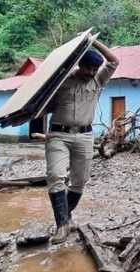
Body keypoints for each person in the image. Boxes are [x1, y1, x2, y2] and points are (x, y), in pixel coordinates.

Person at [44, 39, 119, 244]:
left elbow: (114, 61)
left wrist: (95, 42)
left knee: (80, 180)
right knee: (56, 176)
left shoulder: (98, 81)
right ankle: (61, 225)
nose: (92, 72)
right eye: (89, 68)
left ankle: (66, 218)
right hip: (58, 135)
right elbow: (42, 103)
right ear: (80, 66)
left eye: (95, 69)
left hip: (85, 136)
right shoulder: (61, 81)